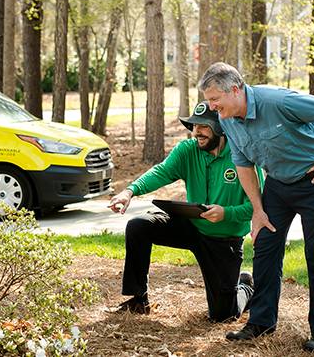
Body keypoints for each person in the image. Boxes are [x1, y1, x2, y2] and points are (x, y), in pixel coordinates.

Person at [198, 62, 314, 352]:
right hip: (278, 184)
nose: (212, 107)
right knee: (265, 246)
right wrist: (257, 209)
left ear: (236, 89)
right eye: (208, 101)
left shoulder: (277, 100)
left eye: (215, 99)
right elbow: (243, 164)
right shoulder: (227, 119)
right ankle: (261, 321)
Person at [108, 102, 262, 323]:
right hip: (191, 225)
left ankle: (246, 285)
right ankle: (138, 299)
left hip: (223, 238)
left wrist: (225, 213)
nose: (196, 131)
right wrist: (130, 191)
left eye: (203, 126)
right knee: (139, 226)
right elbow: (161, 172)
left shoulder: (242, 156)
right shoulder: (187, 150)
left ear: (220, 127)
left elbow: (256, 207)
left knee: (223, 315)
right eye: (193, 126)